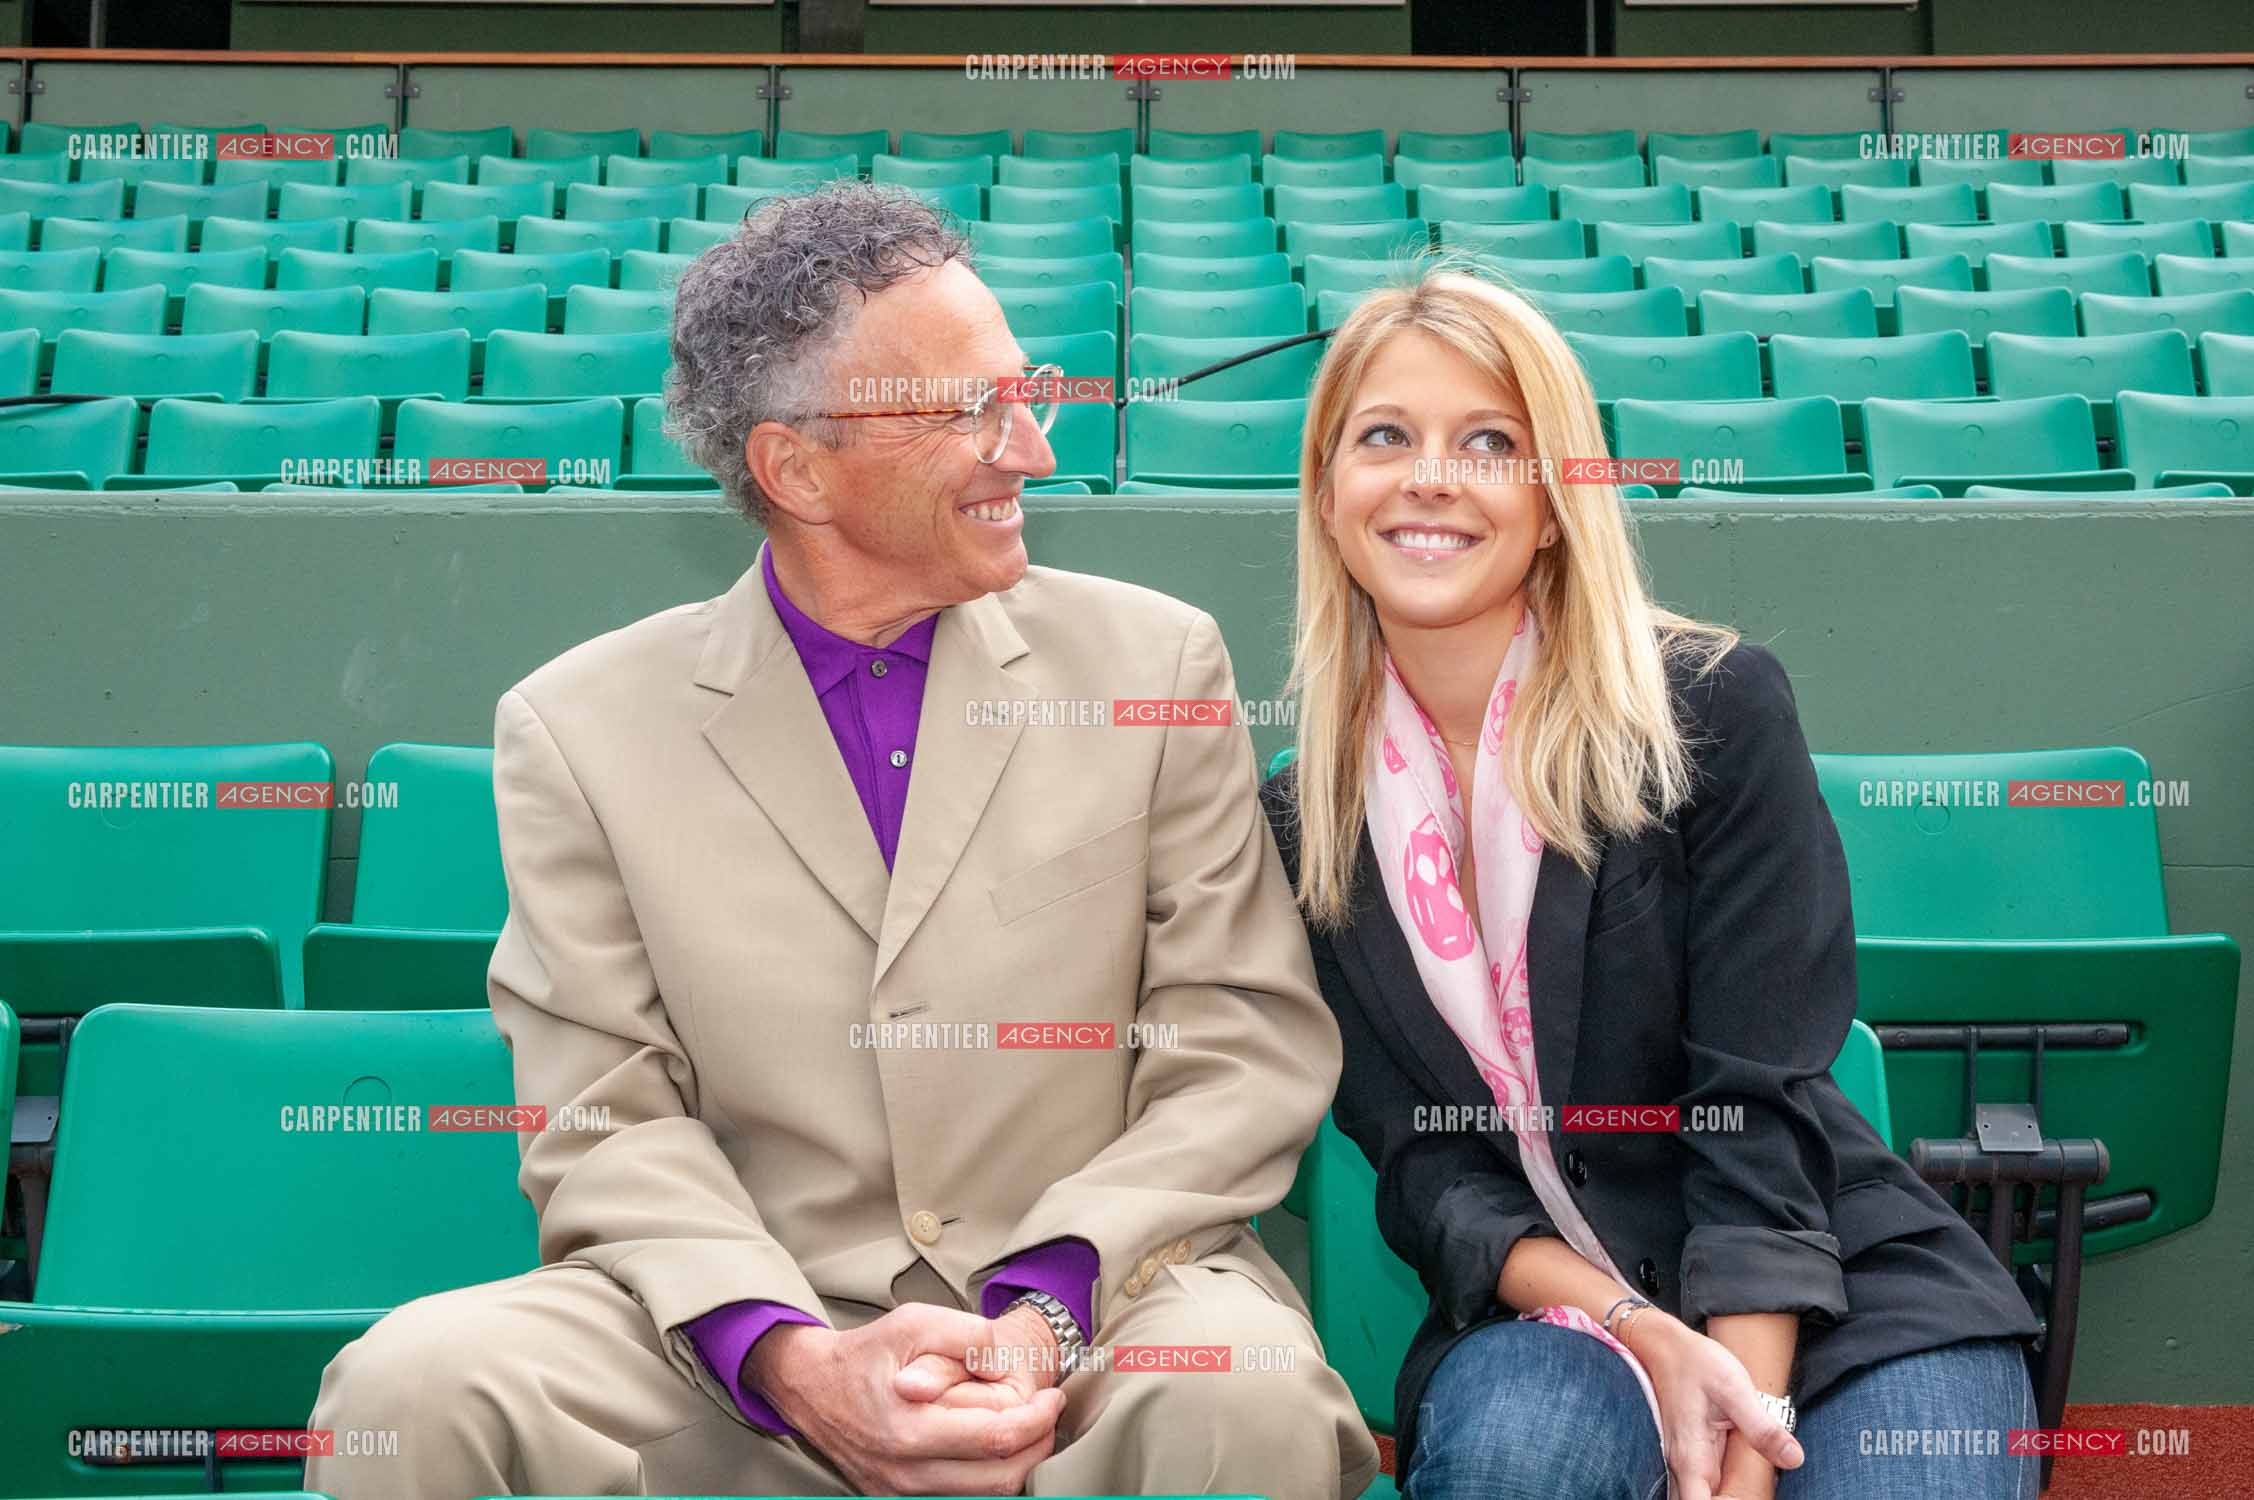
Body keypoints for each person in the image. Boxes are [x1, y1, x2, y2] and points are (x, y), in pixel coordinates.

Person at [306, 180, 1378, 1500]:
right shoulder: (575, 728)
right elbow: (601, 1113)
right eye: (970, 410)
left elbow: (1238, 1043)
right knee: (409, 1387)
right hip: (738, 1346)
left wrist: (1045, 1306)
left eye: (1025, 392)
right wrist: (791, 1359)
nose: (1031, 449)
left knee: (1246, 1388)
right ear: (796, 470)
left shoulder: (1157, 664)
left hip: (1101, 1310)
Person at [1259, 266, 2041, 1500]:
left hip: (1835, 1287)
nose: (1430, 477)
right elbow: (1424, 1170)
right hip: (1558, 1317)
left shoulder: (1712, 712)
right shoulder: (1306, 819)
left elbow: (1757, 1110)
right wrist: (1636, 1324)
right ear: (1326, 488)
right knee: (1516, 1465)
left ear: (1555, 501)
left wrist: (1743, 1445)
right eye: (1384, 437)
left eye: (1490, 442)